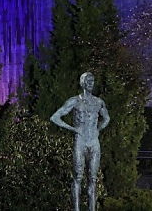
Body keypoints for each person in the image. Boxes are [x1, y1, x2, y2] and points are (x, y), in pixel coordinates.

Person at [50, 71, 111, 211]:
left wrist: (98, 129)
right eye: (88, 80)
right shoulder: (75, 101)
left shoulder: (98, 102)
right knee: (78, 176)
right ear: (82, 83)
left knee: (93, 178)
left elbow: (107, 118)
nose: (91, 83)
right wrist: (72, 128)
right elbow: (55, 117)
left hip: (94, 142)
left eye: (92, 80)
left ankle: (92, 208)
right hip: (80, 140)